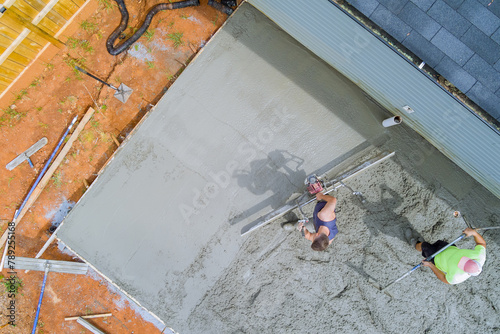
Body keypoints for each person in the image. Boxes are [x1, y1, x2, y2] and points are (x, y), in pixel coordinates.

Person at [414, 228, 486, 284]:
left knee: (424, 246)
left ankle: (415, 243)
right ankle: (422, 244)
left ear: (467, 273)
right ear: (475, 260)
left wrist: (430, 265)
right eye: (465, 260)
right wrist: (474, 233)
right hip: (448, 247)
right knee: (436, 243)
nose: (461, 260)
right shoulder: (480, 256)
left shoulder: (457, 277)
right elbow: (481, 243)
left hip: (436, 259)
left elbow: (443, 278)